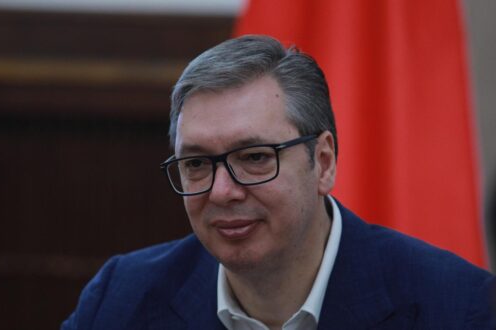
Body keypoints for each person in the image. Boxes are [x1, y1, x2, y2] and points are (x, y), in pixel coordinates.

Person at [61, 35, 494, 329]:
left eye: (253, 158)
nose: (220, 192)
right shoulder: (120, 302)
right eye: (196, 163)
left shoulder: (459, 308)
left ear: (323, 163)